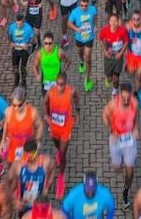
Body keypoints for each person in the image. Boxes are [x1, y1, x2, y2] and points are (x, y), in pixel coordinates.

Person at [102, 82, 139, 210]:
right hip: (116, 140)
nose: (126, 100)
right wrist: (111, 129)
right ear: (119, 96)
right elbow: (105, 115)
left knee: (130, 170)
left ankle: (125, 193)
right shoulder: (113, 104)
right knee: (117, 167)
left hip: (129, 140)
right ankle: (121, 163)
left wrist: (136, 128)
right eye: (124, 98)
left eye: (128, 98)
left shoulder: (134, 102)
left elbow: (136, 117)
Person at [43, 70, 79, 199]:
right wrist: (46, 115)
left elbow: (76, 99)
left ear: (66, 83)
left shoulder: (71, 91)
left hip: (66, 128)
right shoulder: (50, 92)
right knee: (57, 147)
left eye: (62, 84)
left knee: (63, 154)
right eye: (58, 84)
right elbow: (45, 103)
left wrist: (77, 112)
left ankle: (61, 178)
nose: (60, 86)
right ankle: (59, 152)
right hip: (54, 127)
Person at [8, 139, 55, 216]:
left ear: (36, 151)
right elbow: (7, 184)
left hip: (40, 203)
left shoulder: (46, 161)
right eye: (26, 155)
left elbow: (52, 169)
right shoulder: (17, 165)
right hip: (24, 204)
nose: (29, 158)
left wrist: (47, 186)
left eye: (31, 155)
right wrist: (14, 200)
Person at [0, 86, 44, 165]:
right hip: (12, 146)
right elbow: (6, 124)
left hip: (27, 147)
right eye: (14, 105)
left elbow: (40, 125)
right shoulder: (8, 111)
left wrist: (38, 140)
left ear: (25, 101)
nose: (16, 108)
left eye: (19, 105)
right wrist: (2, 141)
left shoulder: (33, 113)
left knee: (26, 168)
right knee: (11, 167)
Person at [68, 0, 97, 92]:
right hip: (79, 38)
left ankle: (87, 79)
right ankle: (81, 62)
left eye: (85, 5)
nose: (84, 7)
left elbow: (95, 17)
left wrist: (95, 26)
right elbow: (69, 23)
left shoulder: (92, 10)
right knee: (80, 52)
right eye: (82, 5)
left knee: (88, 57)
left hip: (89, 37)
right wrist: (76, 28)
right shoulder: (75, 12)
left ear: (88, 4)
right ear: (79, 4)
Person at [99, 13, 129, 96]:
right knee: (109, 78)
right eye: (111, 20)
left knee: (116, 78)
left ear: (118, 21)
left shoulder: (122, 30)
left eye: (115, 21)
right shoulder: (105, 30)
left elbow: (126, 41)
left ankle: (115, 90)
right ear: (109, 22)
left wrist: (121, 53)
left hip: (118, 57)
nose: (113, 23)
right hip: (108, 57)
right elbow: (100, 39)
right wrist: (104, 51)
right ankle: (108, 79)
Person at [9, 14, 36, 88]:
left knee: (23, 68)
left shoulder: (28, 28)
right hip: (15, 49)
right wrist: (11, 42)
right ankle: (16, 81)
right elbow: (10, 35)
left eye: (20, 24)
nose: (18, 26)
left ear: (24, 22)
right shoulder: (12, 27)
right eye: (17, 24)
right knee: (15, 68)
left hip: (24, 50)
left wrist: (28, 44)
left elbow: (33, 39)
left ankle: (24, 81)